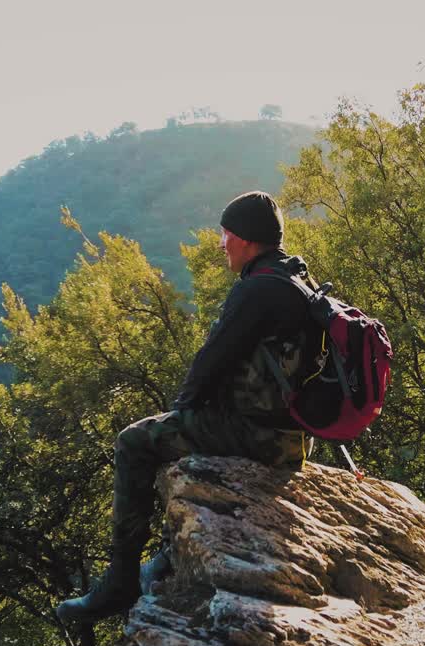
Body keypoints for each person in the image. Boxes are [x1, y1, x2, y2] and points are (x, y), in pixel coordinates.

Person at [56, 190, 315, 623]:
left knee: (135, 442)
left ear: (248, 240)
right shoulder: (296, 282)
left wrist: (182, 412)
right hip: (294, 439)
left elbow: (209, 363)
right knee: (181, 446)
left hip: (258, 438)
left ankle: (120, 581)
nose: (221, 243)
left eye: (227, 234)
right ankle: (168, 557)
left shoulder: (256, 290)